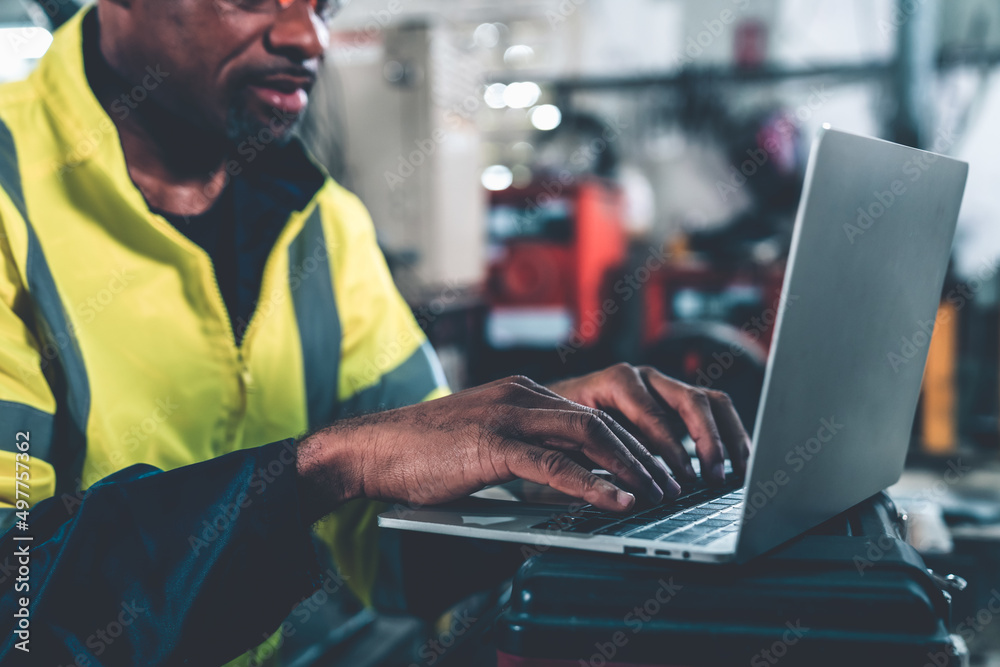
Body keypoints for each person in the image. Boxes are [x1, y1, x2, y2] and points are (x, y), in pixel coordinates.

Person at [0, 0, 751, 664]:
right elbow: (19, 605)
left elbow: (397, 558)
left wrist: (545, 471)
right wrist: (326, 465)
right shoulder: (11, 199)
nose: (308, 35)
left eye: (323, 2)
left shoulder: (323, 223)